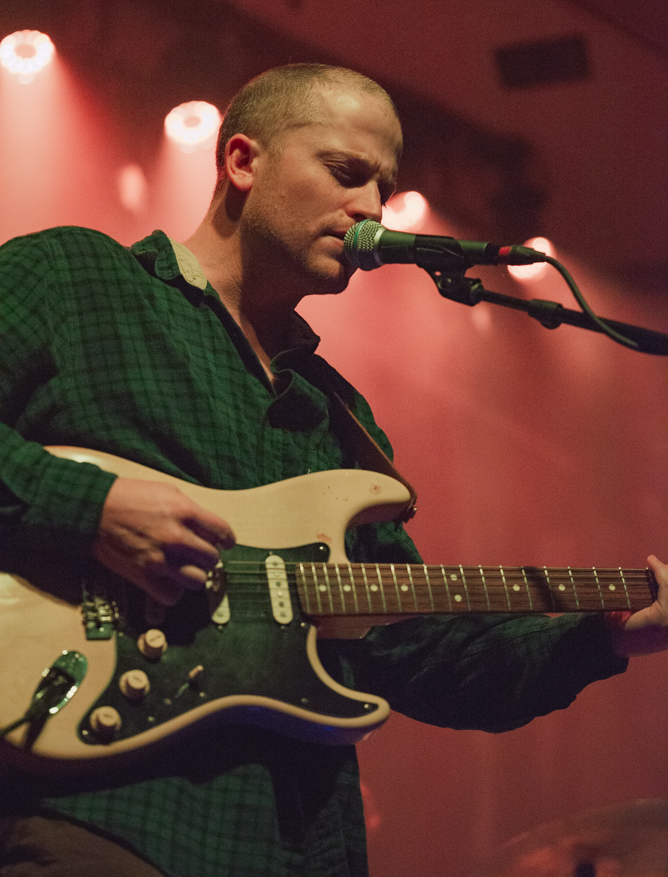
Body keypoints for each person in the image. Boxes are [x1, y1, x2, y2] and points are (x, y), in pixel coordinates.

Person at [0, 63, 666, 877]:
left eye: (385, 188)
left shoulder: (337, 417)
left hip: (299, 845)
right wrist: (92, 507)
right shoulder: (76, 279)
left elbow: (413, 652)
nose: (373, 211)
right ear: (243, 161)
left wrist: (602, 636)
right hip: (103, 821)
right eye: (347, 174)